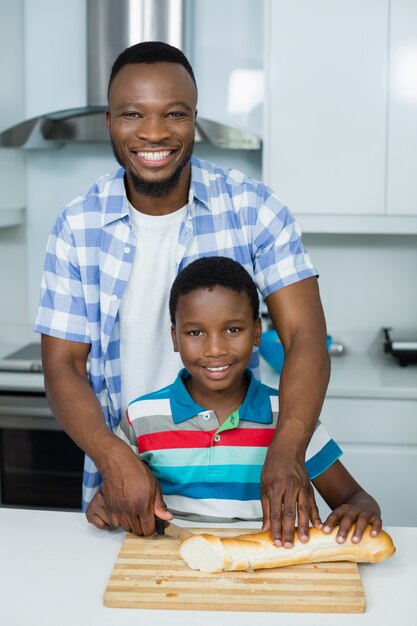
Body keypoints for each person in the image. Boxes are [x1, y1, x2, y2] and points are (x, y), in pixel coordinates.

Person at [35, 41, 330, 548]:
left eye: (174, 114)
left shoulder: (254, 209)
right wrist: (115, 458)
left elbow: (306, 335)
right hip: (126, 491)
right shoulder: (76, 225)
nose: (153, 133)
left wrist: (286, 452)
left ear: (195, 120)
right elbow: (63, 366)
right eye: (133, 114)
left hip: (240, 495)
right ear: (110, 121)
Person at [86, 257, 382, 545]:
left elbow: (354, 497)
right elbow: (114, 496)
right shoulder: (142, 418)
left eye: (232, 330)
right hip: (173, 576)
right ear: (175, 338)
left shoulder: (290, 416)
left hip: (268, 581)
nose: (215, 349)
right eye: (196, 332)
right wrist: (106, 506)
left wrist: (361, 510)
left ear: (256, 332)